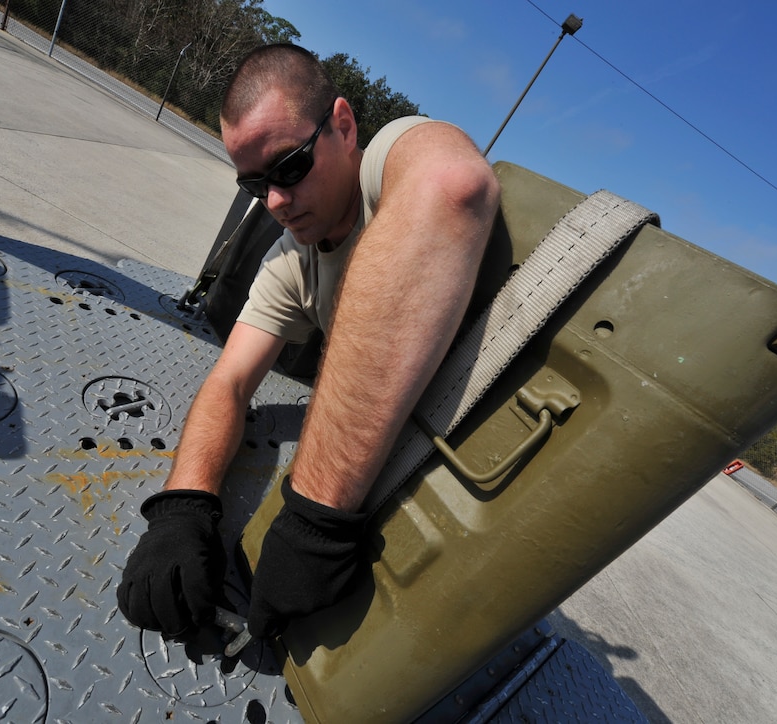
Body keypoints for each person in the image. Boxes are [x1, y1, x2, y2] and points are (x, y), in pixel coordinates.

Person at [118, 43, 499, 641]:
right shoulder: (292, 262)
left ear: (343, 127)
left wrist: (313, 521)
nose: (273, 201)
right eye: (254, 185)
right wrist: (184, 505)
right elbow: (231, 380)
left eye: (289, 166)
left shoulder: (385, 167)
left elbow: (452, 184)